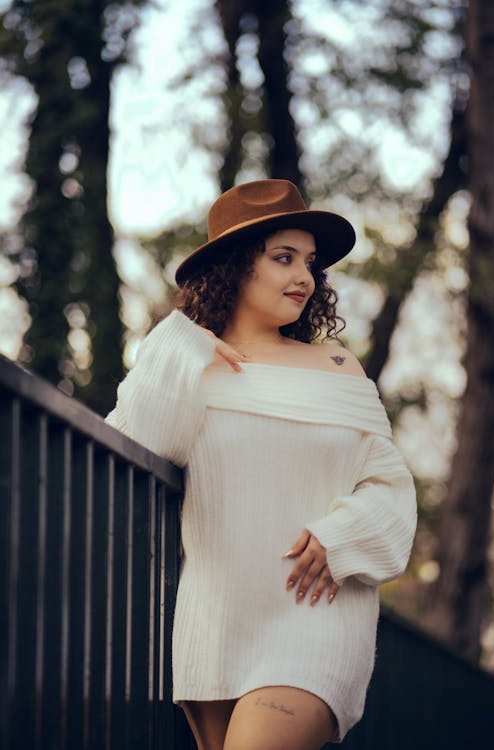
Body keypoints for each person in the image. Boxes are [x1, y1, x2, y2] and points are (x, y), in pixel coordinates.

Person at [105, 179, 417, 750]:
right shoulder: (188, 364)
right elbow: (132, 447)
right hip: (216, 621)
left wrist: (341, 534)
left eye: (310, 263)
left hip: (317, 611)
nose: (304, 277)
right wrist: (183, 346)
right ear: (233, 267)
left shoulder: (337, 365)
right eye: (283, 258)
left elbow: (389, 485)